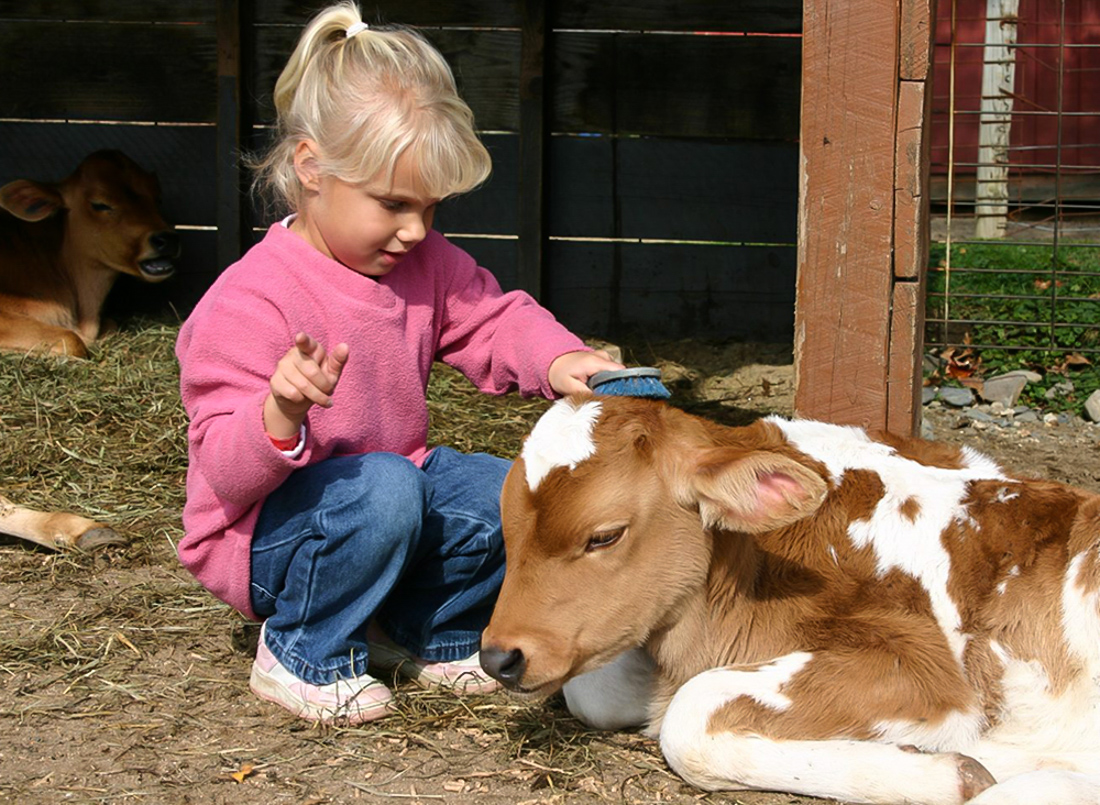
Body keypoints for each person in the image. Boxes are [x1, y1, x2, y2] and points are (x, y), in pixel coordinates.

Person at [174, 1, 622, 725]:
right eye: (392, 204)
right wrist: (279, 412)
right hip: (268, 534)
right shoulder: (248, 300)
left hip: (388, 497)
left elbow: (493, 316)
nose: (416, 230)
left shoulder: (423, 264)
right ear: (311, 168)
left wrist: (562, 358)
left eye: (430, 208)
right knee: (384, 489)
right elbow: (223, 471)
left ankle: (422, 629)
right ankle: (300, 649)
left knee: (508, 490)